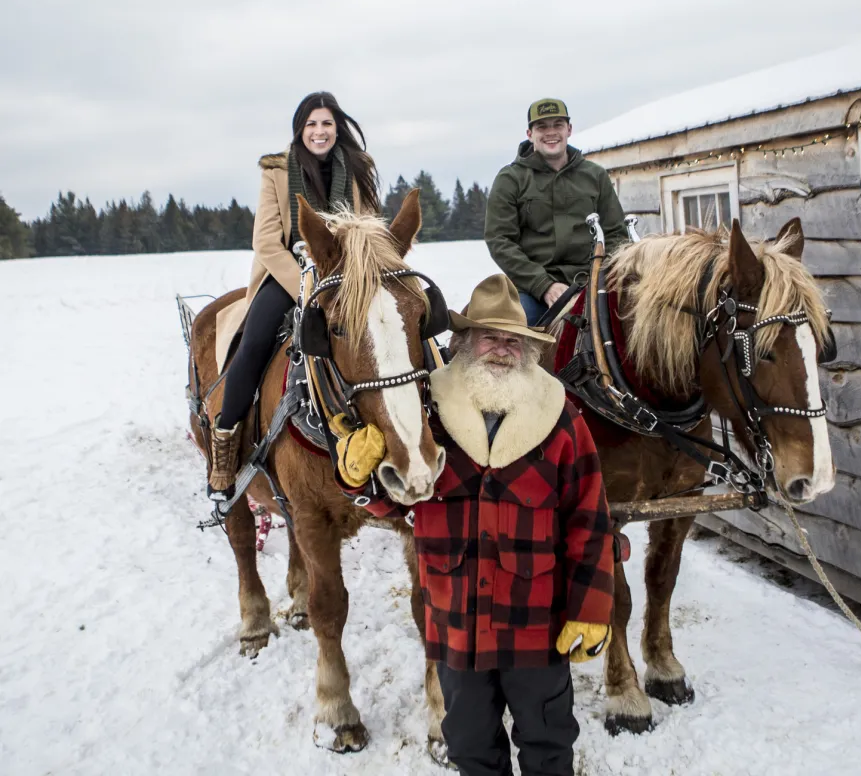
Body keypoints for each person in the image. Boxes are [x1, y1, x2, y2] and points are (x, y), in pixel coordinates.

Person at [412, 274, 615, 776]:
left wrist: (590, 608)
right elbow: (391, 499)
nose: (502, 349)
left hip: (536, 629)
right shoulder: (426, 416)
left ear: (527, 349)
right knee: (470, 749)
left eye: (512, 340)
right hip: (457, 626)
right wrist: (358, 478)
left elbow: (590, 519)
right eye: (490, 336)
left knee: (549, 746)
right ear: (462, 342)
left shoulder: (562, 420)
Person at [207, 91, 381, 499]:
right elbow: (267, 242)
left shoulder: (356, 168)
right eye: (311, 124)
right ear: (299, 130)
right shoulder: (277, 171)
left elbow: (370, 227)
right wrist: (304, 284)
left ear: (338, 128)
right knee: (252, 345)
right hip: (291, 273)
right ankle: (225, 447)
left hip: (344, 277)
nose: (319, 132)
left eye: (326, 124)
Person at [484, 98, 627, 326]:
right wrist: (544, 286)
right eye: (542, 127)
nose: (551, 132)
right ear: (530, 133)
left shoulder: (595, 176)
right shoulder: (510, 179)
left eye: (558, 125)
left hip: (593, 283)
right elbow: (500, 240)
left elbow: (616, 234)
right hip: (533, 290)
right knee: (510, 333)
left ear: (569, 129)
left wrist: (600, 277)